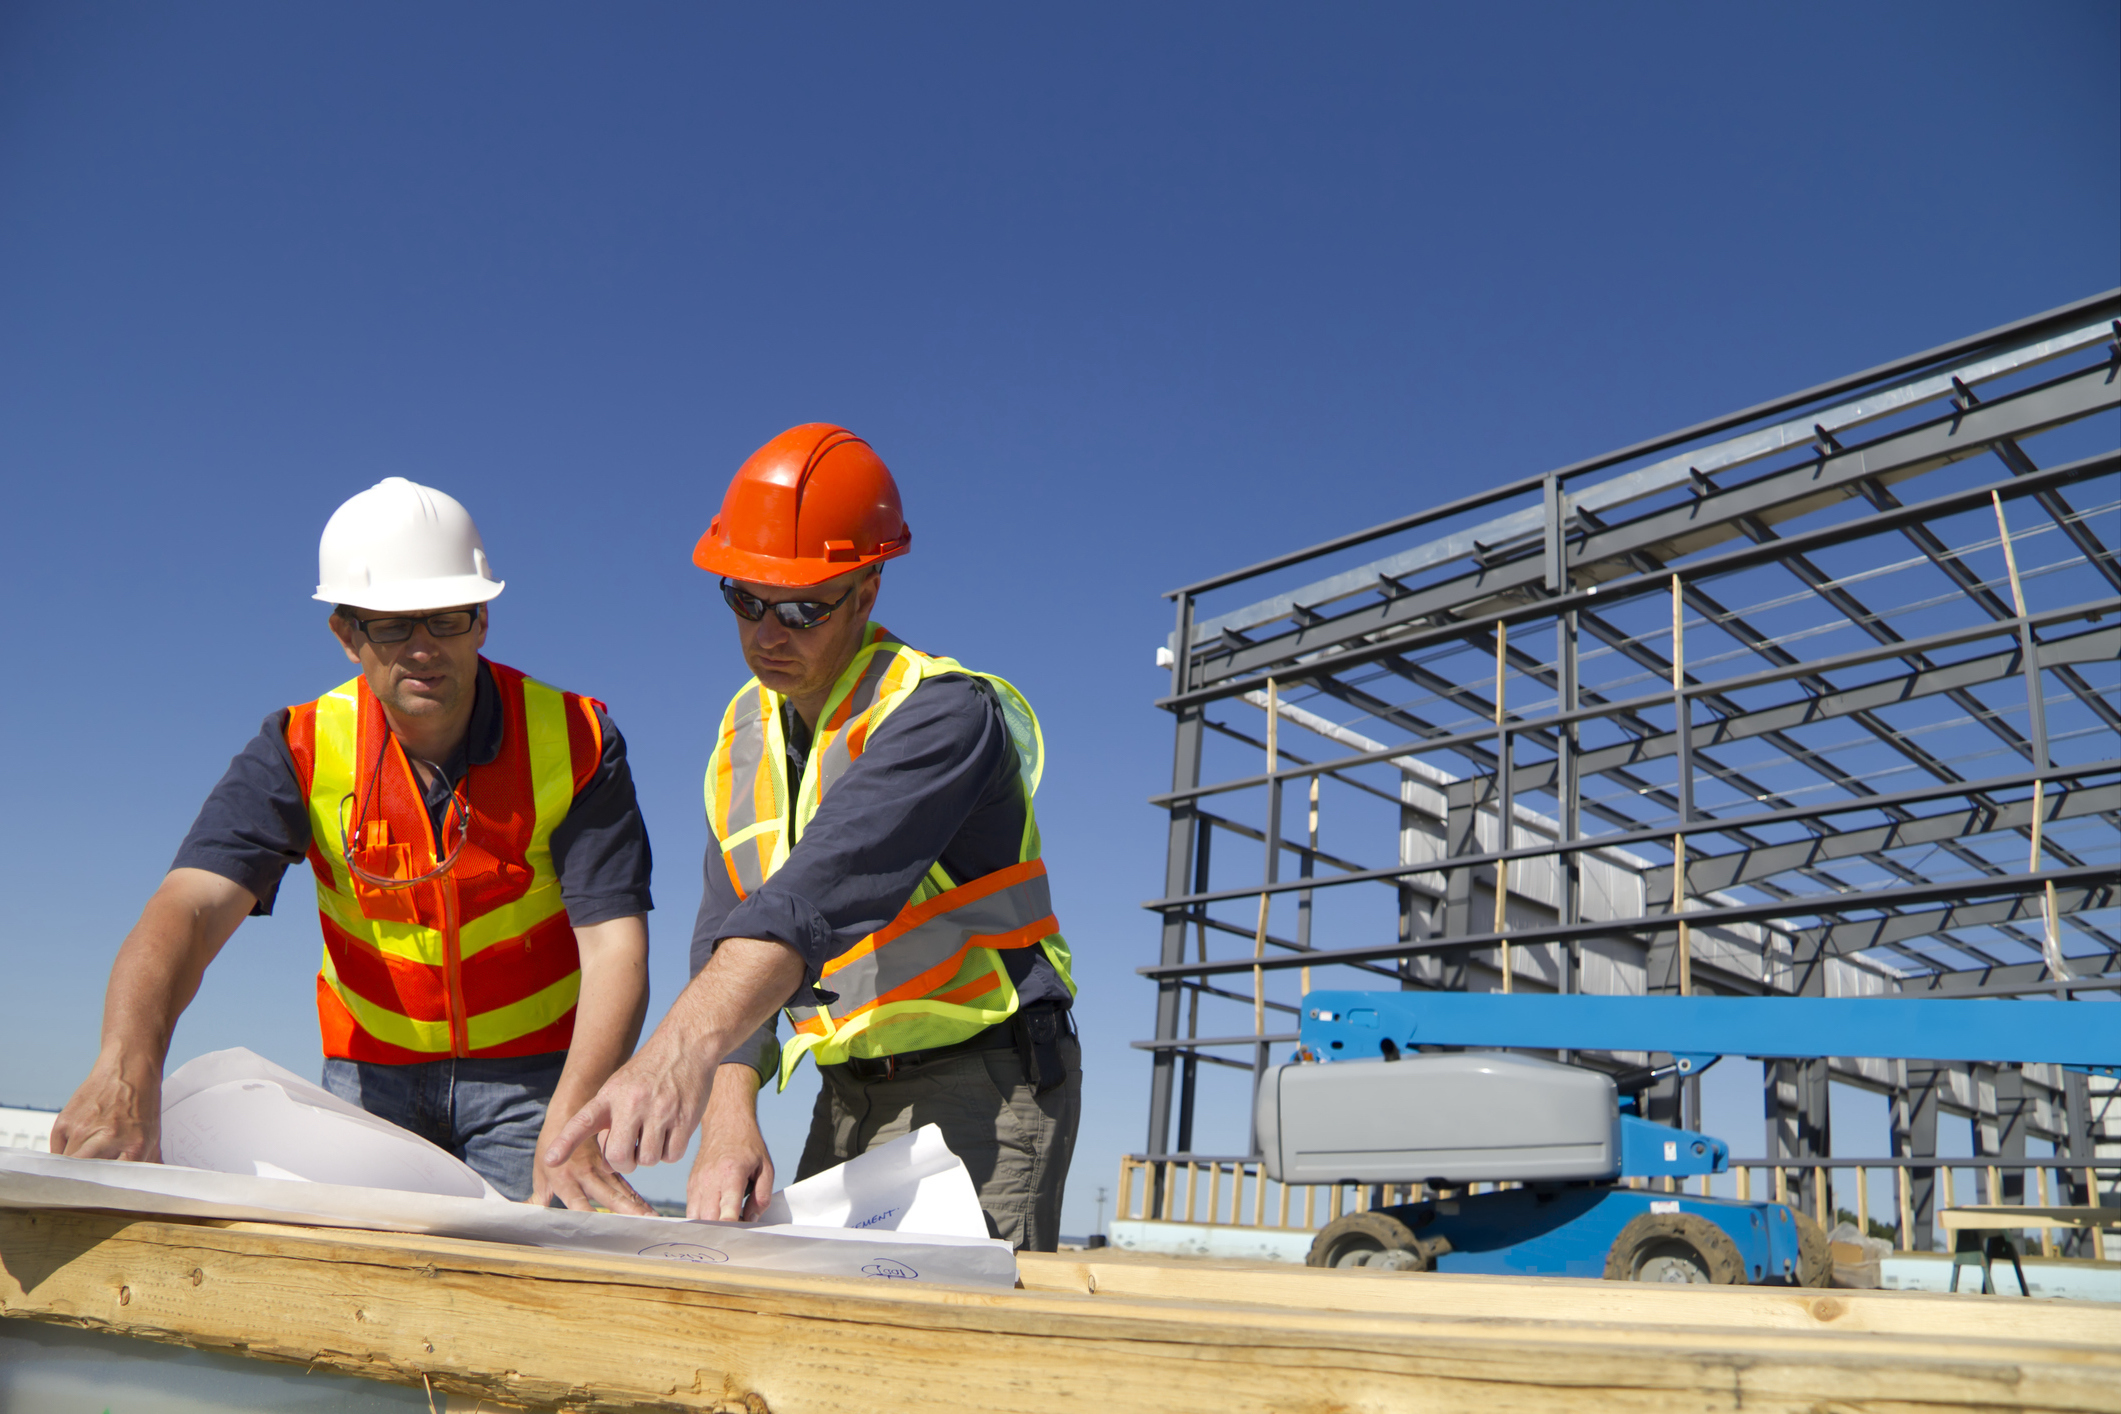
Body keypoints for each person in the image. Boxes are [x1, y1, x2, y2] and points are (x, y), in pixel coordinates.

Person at [53, 477, 657, 1213]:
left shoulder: (577, 739)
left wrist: (578, 1113)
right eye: (393, 626)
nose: (424, 648)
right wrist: (125, 1067)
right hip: (370, 1079)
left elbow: (615, 949)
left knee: (547, 1284)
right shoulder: (298, 747)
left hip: (540, 1080)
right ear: (346, 635)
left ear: (483, 620)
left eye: (446, 617)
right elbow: (190, 907)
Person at [547, 424, 1079, 1250]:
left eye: (801, 607)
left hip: (986, 1077)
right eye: (745, 599)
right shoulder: (743, 733)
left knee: (950, 1357)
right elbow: (728, 930)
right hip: (848, 1087)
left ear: (865, 592)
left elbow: (806, 902)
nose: (768, 632)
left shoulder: (940, 715)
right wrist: (729, 1110)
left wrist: (673, 1054)